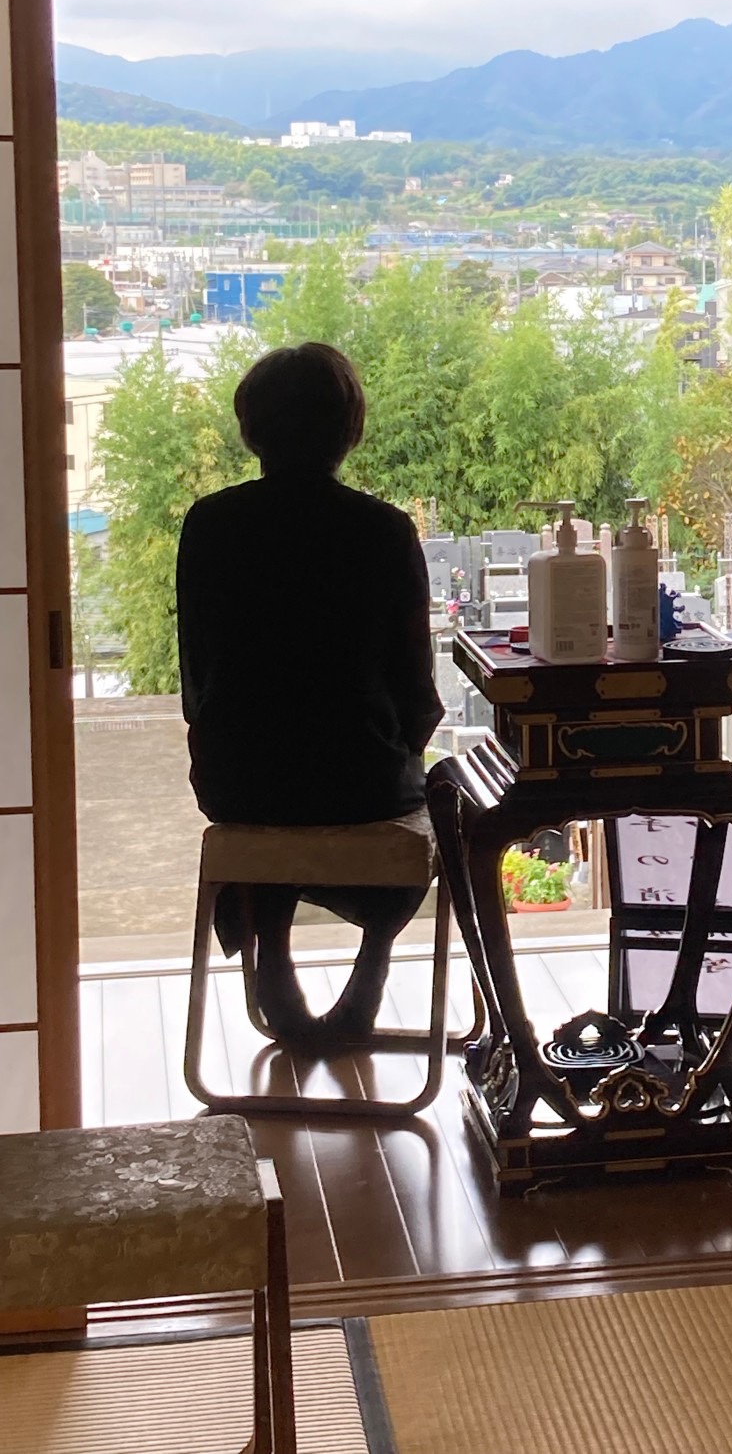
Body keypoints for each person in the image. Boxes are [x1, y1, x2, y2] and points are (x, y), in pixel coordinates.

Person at [176, 342, 443, 1051]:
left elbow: (198, 675)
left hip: (241, 779)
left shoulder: (210, 523)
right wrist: (400, 746)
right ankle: (371, 966)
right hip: (359, 779)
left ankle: (270, 946)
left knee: (269, 788)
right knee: (445, 803)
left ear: (252, 428)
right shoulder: (383, 530)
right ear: (348, 428)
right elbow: (415, 690)